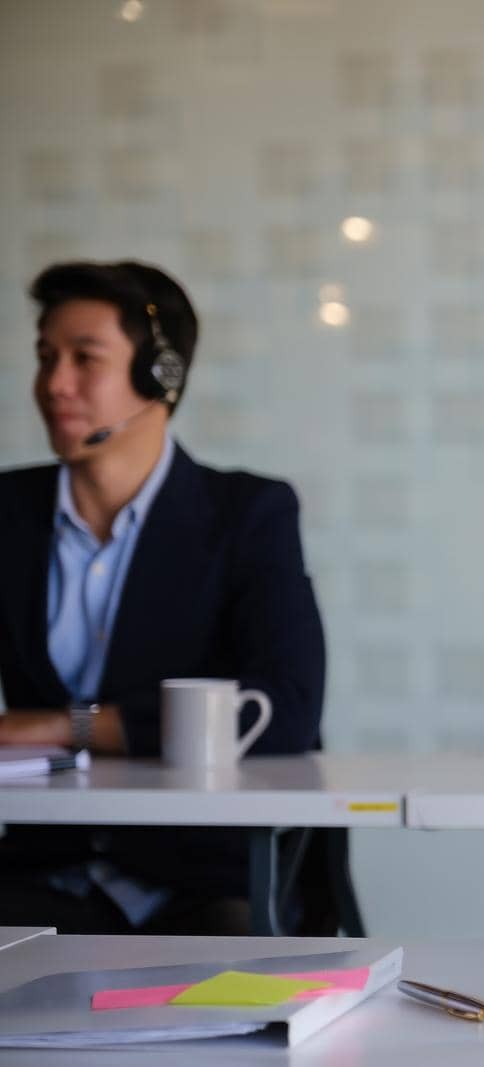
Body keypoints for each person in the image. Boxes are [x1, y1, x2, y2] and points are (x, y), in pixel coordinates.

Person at [0, 260, 326, 934]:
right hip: (39, 869)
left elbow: (286, 708)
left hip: (201, 877)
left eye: (84, 358)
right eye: (44, 356)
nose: (53, 383)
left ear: (162, 376)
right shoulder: (7, 511)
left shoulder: (247, 513)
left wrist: (68, 724)